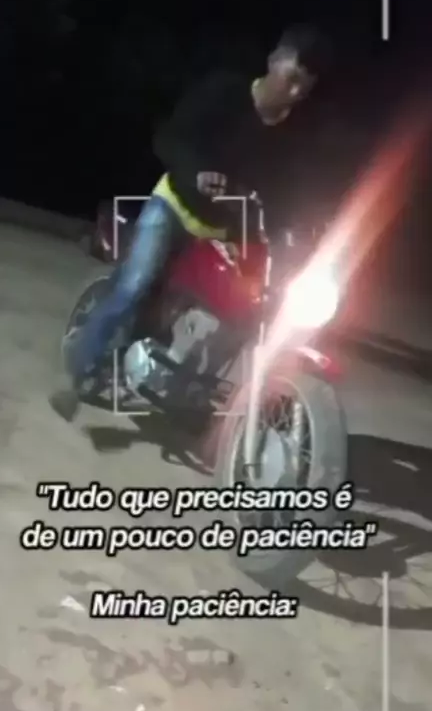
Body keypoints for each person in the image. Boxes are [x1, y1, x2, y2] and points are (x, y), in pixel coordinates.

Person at [49, 24, 331, 421]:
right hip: (173, 208)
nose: (296, 92)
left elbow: (294, 193)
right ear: (274, 61)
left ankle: (190, 389)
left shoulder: (294, 137)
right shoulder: (225, 93)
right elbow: (169, 138)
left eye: (305, 87)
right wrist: (196, 172)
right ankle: (80, 378)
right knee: (135, 285)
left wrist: (309, 229)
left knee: (247, 312)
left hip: (223, 233)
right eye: (293, 78)